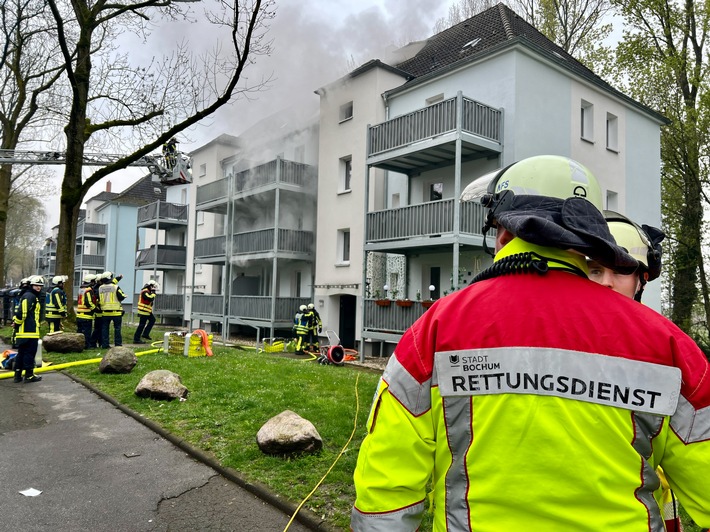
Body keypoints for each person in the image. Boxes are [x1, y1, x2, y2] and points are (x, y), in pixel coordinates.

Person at [351, 155, 710, 531]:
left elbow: (385, 491)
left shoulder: (436, 329)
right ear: (589, 239)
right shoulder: (667, 345)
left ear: (504, 234)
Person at [588, 211, 683, 532]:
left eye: (620, 271)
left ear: (642, 279)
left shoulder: (664, 348)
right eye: (594, 269)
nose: (605, 282)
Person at [12, 275, 44, 383]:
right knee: (29, 353)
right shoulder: (30, 296)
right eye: (36, 285)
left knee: (21, 353)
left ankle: (17, 376)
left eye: (40, 286)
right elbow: (23, 312)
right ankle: (29, 375)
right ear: (31, 285)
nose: (38, 288)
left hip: (26, 331)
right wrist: (16, 323)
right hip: (29, 331)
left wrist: (16, 323)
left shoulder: (28, 295)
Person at [98, 271, 126, 348]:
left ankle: (105, 344)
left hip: (105, 312)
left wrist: (119, 277)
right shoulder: (115, 287)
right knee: (117, 329)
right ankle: (118, 344)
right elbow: (121, 296)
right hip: (116, 312)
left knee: (105, 329)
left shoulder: (100, 288)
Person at [76, 274, 97, 349]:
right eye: (94, 281)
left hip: (79, 314)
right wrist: (95, 308)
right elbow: (88, 302)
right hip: (86, 315)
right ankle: (86, 346)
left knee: (79, 332)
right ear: (91, 282)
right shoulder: (88, 290)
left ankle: (78, 346)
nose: (95, 282)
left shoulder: (81, 289)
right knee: (87, 332)